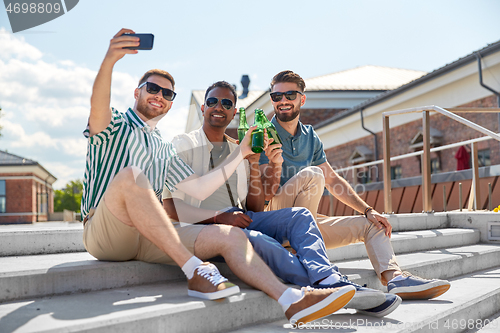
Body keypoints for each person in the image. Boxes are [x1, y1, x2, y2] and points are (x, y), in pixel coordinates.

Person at [81, 29, 356, 325]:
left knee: (231, 236)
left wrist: (242, 156)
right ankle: (195, 271)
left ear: (172, 103)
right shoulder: (115, 125)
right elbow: (98, 106)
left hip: (150, 236)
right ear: (137, 93)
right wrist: (110, 60)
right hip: (106, 231)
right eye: (152, 89)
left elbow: (198, 189)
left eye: (167, 93)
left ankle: (292, 300)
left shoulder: (163, 147)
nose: (159, 96)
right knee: (131, 177)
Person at [162, 80, 402, 317]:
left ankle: (329, 278)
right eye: (212, 101)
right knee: (264, 242)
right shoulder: (184, 143)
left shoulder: (239, 148)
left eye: (226, 103)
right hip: (206, 227)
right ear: (203, 108)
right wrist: (220, 216)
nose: (219, 107)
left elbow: (255, 207)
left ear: (234, 113)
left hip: (241, 217)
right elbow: (170, 207)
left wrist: (256, 165)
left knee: (300, 215)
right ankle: (333, 285)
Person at [259, 70, 451, 307]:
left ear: (302, 99)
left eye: (289, 94)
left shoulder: (310, 136)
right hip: (274, 221)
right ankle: (300, 253)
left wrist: (368, 210)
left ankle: (395, 278)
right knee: (312, 174)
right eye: (276, 96)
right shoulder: (261, 134)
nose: (283, 101)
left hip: (305, 223)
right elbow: (259, 192)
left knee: (372, 224)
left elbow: (334, 181)